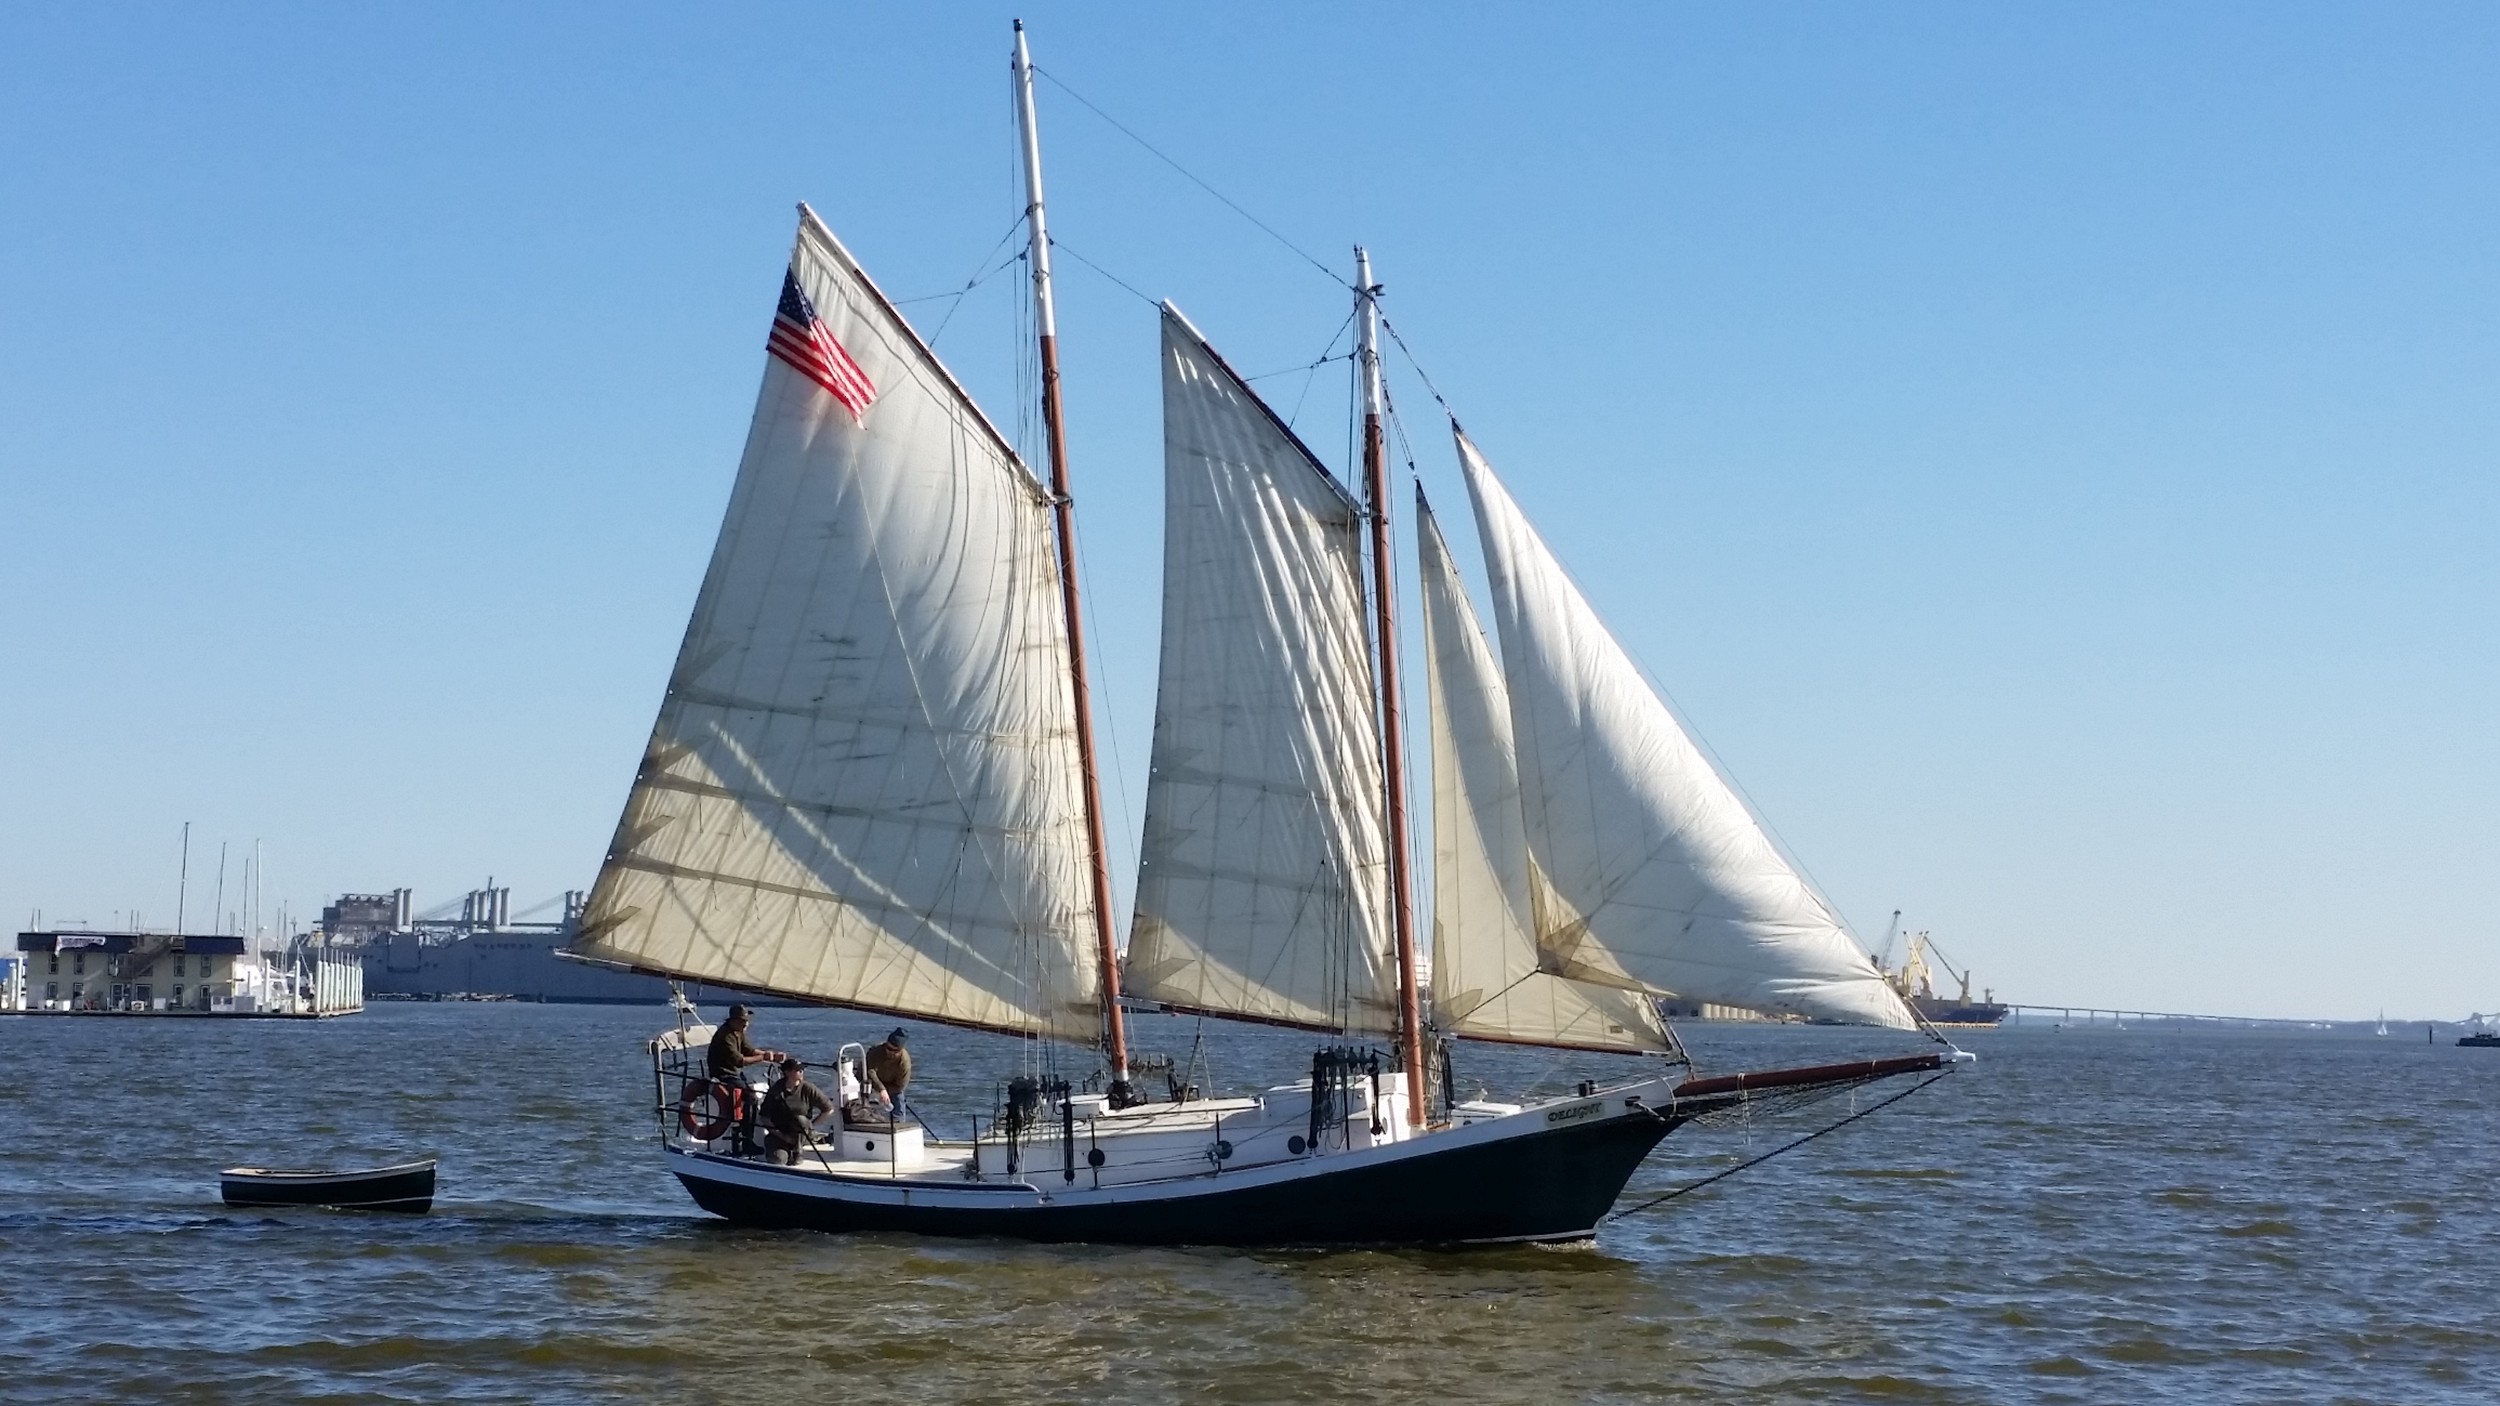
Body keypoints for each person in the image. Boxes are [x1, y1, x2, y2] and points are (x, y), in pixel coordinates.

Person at [759, 1057, 835, 1165]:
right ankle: (784, 1155)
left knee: (800, 1119)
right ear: (787, 1072)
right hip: (780, 1134)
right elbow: (764, 1117)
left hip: (801, 1133)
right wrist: (782, 1136)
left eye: (802, 1069)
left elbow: (828, 1109)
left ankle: (798, 1152)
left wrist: (811, 1126)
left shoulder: (808, 1088)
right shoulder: (776, 1090)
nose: (801, 1072)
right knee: (778, 1159)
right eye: (797, 1070)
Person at [707, 1004, 787, 1080]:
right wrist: (763, 1057)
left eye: (746, 1021)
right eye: (742, 1021)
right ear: (733, 1020)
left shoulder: (738, 1031)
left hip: (735, 1073)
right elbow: (739, 1061)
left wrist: (773, 1056)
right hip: (723, 1075)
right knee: (749, 1093)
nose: (746, 1024)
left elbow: (749, 1051)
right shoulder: (725, 1036)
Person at [865, 1027, 912, 1120]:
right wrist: (881, 1089)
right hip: (872, 1082)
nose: (891, 1053)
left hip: (893, 1086)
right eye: (889, 1048)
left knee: (899, 1104)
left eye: (895, 1051)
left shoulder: (904, 1062)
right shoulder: (875, 1052)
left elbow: (900, 1086)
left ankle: (897, 1124)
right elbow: (870, 1071)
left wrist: (886, 1092)